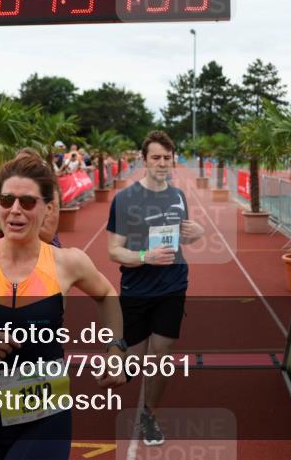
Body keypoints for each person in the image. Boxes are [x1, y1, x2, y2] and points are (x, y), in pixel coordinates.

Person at [0, 152, 128, 460]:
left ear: (47, 208)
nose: (15, 210)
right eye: (7, 200)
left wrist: (115, 348)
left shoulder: (67, 262)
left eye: (28, 202)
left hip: (45, 414)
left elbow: (106, 295)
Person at [106, 130, 205, 446]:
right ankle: (118, 354)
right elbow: (113, 250)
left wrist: (197, 232)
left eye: (167, 157)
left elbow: (183, 236)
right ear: (144, 159)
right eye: (156, 157)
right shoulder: (125, 199)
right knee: (129, 366)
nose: (162, 163)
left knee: (162, 355)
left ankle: (148, 415)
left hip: (173, 286)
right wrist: (144, 257)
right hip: (136, 290)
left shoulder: (178, 196)